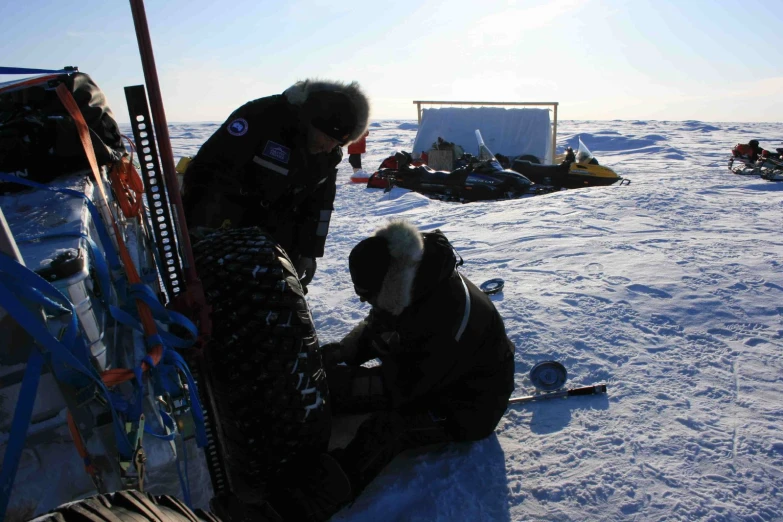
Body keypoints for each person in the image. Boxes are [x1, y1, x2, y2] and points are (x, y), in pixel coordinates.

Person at [320, 219, 516, 518]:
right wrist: (343, 354)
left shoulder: (445, 318)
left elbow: (403, 388)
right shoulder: (414, 278)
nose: (365, 301)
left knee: (388, 428)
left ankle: (322, 491)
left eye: (367, 294)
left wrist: (345, 384)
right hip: (433, 373)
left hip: (469, 404)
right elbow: (379, 323)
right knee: (337, 381)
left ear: (388, 284)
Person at [181, 79, 370, 289]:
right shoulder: (261, 118)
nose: (329, 147)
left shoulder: (327, 156)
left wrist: (308, 252)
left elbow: (319, 206)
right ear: (310, 121)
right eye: (327, 138)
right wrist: (205, 231)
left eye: (338, 143)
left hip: (274, 241)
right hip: (223, 229)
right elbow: (209, 174)